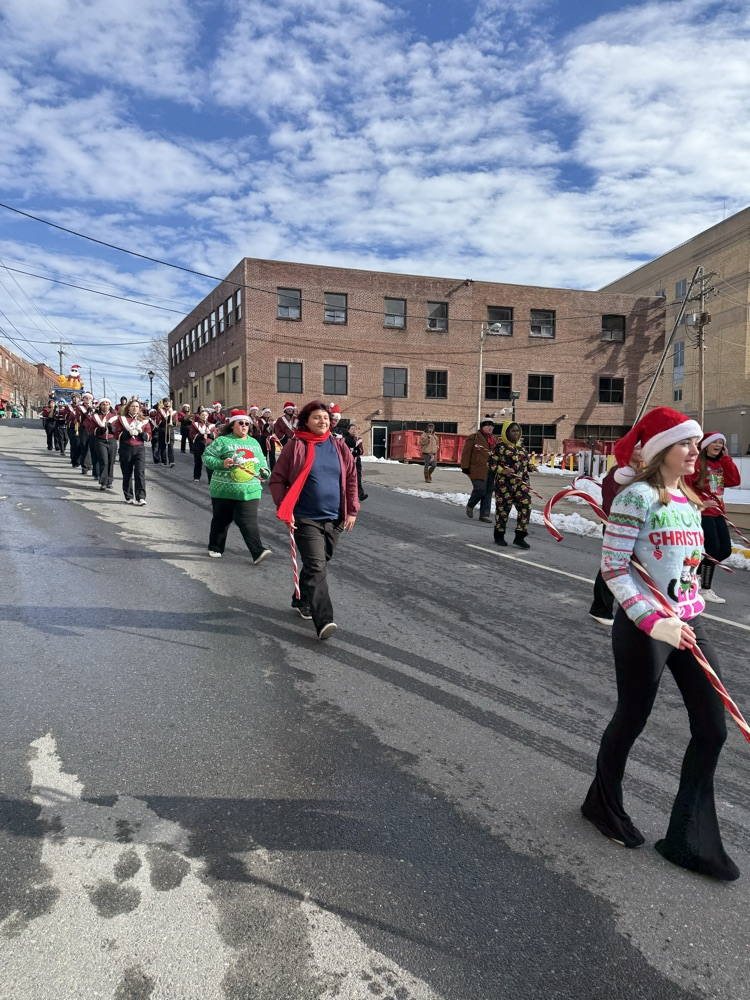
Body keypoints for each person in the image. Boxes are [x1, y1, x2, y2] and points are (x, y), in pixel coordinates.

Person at [582, 407, 739, 881]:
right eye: (685, 443)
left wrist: (686, 606)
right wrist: (652, 621)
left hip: (688, 622)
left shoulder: (688, 498)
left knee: (713, 728)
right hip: (646, 627)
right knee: (632, 717)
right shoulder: (637, 497)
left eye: (695, 443)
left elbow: (683, 570)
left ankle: (690, 838)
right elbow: (614, 567)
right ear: (660, 450)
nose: (695, 451)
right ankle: (602, 805)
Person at [269, 400, 359, 640]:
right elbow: (277, 479)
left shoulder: (339, 446)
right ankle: (324, 620)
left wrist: (352, 510)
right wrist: (284, 507)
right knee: (317, 566)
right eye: (317, 417)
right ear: (306, 421)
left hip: (334, 517)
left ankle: (301, 599)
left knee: (318, 562)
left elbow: (351, 478)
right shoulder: (295, 446)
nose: (323, 421)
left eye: (326, 418)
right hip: (305, 517)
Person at [202, 409, 271, 563]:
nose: (244, 425)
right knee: (221, 520)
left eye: (247, 423)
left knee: (247, 520)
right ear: (233, 425)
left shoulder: (254, 442)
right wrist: (221, 463)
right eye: (241, 423)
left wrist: (265, 472)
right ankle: (215, 546)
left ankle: (258, 551)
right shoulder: (222, 441)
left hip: (250, 490)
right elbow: (206, 457)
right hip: (224, 489)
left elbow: (262, 461)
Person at [685, 432, 741, 604]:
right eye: (715, 442)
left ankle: (695, 575)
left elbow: (734, 481)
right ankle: (705, 589)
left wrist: (727, 459)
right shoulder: (698, 463)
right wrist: (700, 501)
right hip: (703, 513)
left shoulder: (720, 464)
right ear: (706, 445)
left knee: (725, 550)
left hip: (718, 512)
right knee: (713, 551)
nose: (718, 445)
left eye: (721, 443)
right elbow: (685, 484)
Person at [488, 421, 535, 548]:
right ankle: (499, 536)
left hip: (521, 484)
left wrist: (530, 466)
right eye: (513, 431)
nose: (516, 433)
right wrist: (502, 470)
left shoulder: (521, 447)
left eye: (518, 431)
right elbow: (491, 463)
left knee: (525, 507)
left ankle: (520, 536)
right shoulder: (500, 448)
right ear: (506, 433)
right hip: (504, 485)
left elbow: (525, 462)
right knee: (503, 511)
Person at [115, 398, 152, 505]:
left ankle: (141, 497)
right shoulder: (122, 419)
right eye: (132, 406)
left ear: (139, 408)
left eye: (136, 406)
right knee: (127, 473)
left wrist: (141, 433)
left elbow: (149, 436)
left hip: (139, 448)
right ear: (128, 408)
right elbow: (117, 434)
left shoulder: (144, 420)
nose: (134, 408)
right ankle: (129, 496)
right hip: (126, 448)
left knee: (140, 473)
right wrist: (128, 433)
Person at [461, 418, 496, 522]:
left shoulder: (494, 439)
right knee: (480, 489)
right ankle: (470, 505)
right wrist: (465, 466)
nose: (490, 428)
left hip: (492, 469)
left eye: (492, 426)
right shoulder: (474, 437)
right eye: (488, 425)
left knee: (488, 491)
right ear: (482, 426)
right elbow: (466, 453)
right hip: (477, 469)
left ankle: (484, 515)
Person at [87, 398, 120, 491]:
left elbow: (118, 430)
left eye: (107, 404)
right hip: (100, 441)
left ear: (110, 406)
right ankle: (103, 482)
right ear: (100, 406)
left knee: (111, 461)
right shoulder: (95, 417)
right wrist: (100, 430)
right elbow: (90, 430)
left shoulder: (115, 417)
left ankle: (110, 481)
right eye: (103, 404)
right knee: (104, 461)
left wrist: (112, 428)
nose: (105, 406)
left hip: (111, 440)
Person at [189, 406, 216, 482]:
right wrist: (201, 435)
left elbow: (216, 435)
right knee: (198, 461)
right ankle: (196, 477)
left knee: (209, 462)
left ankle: (211, 479)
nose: (204, 416)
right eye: (202, 415)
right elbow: (191, 434)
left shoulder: (211, 425)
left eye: (206, 415)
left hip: (209, 446)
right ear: (199, 416)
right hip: (199, 445)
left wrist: (210, 433)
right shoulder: (195, 424)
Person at [343, 421, 367, 501]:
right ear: (348, 430)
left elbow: (362, 451)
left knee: (358, 476)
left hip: (357, 461)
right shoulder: (344, 438)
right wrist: (350, 450)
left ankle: (360, 494)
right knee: (347, 477)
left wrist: (358, 450)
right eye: (352, 429)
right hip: (348, 461)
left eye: (355, 429)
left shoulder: (358, 439)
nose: (354, 431)